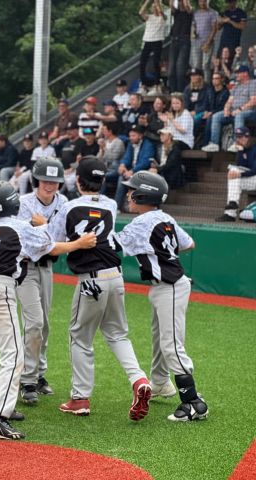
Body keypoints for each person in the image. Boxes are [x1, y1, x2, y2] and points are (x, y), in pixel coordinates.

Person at [0, 181, 96, 440]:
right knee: (13, 355)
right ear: (12, 203)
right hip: (1, 291)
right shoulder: (19, 227)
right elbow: (50, 246)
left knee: (9, 353)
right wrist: (77, 243)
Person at [47, 157, 152, 421]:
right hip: (115, 276)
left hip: (90, 279)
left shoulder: (69, 207)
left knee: (80, 337)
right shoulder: (111, 205)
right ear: (103, 181)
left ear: (78, 180)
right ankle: (139, 379)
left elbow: (51, 242)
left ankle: (80, 398)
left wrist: (40, 223)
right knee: (118, 335)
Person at [116, 171, 208, 422]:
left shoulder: (141, 222)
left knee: (171, 345)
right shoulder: (165, 217)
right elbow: (189, 244)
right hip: (168, 286)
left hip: (170, 287)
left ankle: (193, 403)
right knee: (159, 340)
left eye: (132, 190)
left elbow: (114, 246)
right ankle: (159, 383)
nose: (128, 194)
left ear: (143, 195)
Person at [16, 157, 67, 405]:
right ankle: (26, 380)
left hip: (47, 268)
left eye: (54, 181)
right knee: (34, 322)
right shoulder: (24, 203)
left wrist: (44, 227)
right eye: (45, 180)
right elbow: (30, 242)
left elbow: (56, 240)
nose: (49, 185)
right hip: (25, 268)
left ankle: (38, 374)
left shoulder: (63, 202)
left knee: (44, 324)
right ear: (36, 180)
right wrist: (49, 234)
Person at [202, 65, 256, 152]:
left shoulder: (253, 83)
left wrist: (240, 109)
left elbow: (253, 101)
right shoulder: (236, 86)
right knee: (216, 116)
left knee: (239, 115)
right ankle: (214, 144)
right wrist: (226, 109)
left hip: (250, 112)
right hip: (233, 111)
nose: (236, 75)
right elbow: (229, 101)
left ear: (245, 73)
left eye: (238, 73)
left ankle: (237, 143)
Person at [216, 127, 256, 221]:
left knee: (235, 175)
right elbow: (240, 166)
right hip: (251, 179)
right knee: (233, 174)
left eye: (240, 137)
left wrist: (240, 175)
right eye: (237, 137)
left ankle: (232, 206)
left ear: (247, 137)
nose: (238, 139)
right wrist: (241, 151)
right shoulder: (242, 149)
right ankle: (230, 212)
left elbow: (255, 170)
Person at [115, 125, 156, 211]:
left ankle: (117, 207)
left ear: (140, 136)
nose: (131, 138)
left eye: (133, 136)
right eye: (130, 136)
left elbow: (145, 162)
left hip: (143, 173)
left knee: (121, 178)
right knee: (111, 174)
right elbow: (127, 157)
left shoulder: (148, 145)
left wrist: (133, 171)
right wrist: (122, 165)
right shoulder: (131, 143)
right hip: (130, 171)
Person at [139, 0, 167, 91]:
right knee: (142, 62)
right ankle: (144, 83)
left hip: (157, 41)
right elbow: (141, 12)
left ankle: (157, 83)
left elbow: (162, 13)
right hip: (148, 40)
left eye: (155, 7)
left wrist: (158, 3)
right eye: (153, 7)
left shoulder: (162, 17)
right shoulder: (149, 17)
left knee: (156, 62)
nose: (154, 9)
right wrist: (147, 2)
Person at [168, 0, 193, 94]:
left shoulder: (189, 12)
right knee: (171, 70)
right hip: (174, 40)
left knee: (180, 68)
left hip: (184, 40)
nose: (180, 3)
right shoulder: (176, 12)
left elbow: (187, 6)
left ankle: (180, 91)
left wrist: (185, 2)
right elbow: (171, 5)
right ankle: (173, 91)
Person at [191, 0, 219, 83]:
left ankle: (206, 85)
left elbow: (214, 29)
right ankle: (197, 84)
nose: (202, 3)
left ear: (208, 2)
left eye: (204, 1)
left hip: (208, 42)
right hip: (197, 42)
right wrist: (194, 32)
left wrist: (208, 43)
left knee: (205, 65)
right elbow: (194, 25)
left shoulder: (213, 13)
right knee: (196, 65)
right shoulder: (196, 13)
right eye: (201, 1)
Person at [183, 68, 213, 140]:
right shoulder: (188, 89)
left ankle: (192, 139)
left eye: (195, 75)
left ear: (200, 77)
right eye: (191, 75)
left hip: (203, 111)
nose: (193, 77)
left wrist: (196, 111)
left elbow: (207, 104)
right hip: (190, 112)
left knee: (195, 120)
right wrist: (188, 112)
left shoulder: (207, 88)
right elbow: (185, 104)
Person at [98, 121, 126, 194]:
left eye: (104, 130)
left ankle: (98, 198)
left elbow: (114, 158)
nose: (103, 132)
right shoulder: (105, 141)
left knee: (101, 176)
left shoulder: (119, 142)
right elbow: (98, 159)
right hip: (104, 168)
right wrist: (101, 150)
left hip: (114, 169)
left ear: (110, 131)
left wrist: (104, 148)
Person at [217, 0, 247, 68]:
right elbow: (218, 28)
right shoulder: (225, 12)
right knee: (219, 62)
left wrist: (230, 21)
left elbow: (242, 26)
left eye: (231, 2)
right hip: (223, 41)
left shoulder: (241, 12)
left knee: (231, 63)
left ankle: (230, 74)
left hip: (234, 42)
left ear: (235, 2)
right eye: (228, 2)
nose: (229, 4)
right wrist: (220, 21)